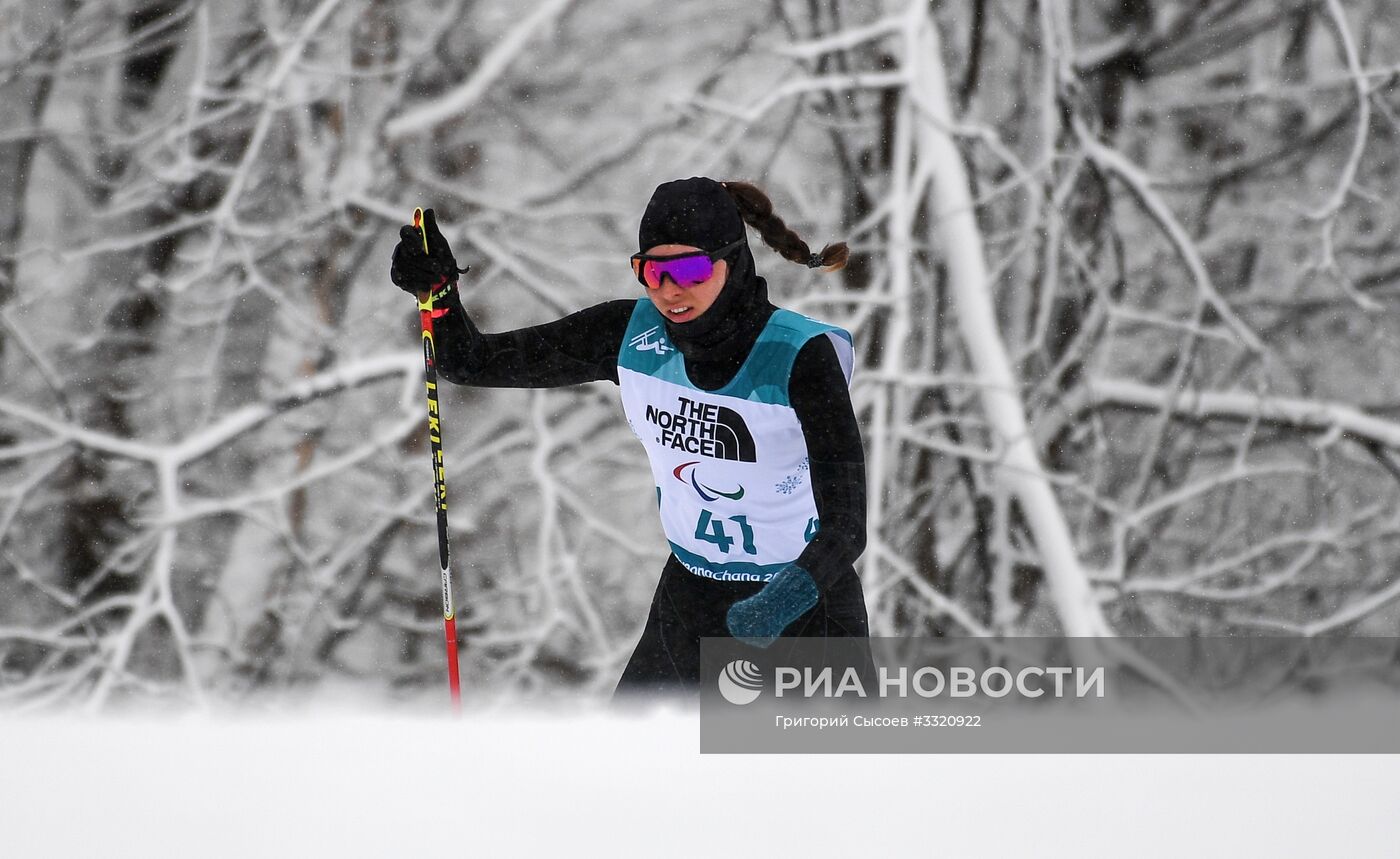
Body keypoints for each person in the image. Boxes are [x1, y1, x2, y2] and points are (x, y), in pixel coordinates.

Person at [390, 176, 871, 696]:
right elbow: (470, 361)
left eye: (689, 268)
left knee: (804, 780)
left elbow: (846, 525)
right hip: (691, 599)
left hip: (804, 607)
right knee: (624, 773)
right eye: (652, 271)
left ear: (733, 262)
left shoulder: (800, 357)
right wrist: (438, 295)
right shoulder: (630, 336)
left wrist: (775, 607)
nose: (670, 289)